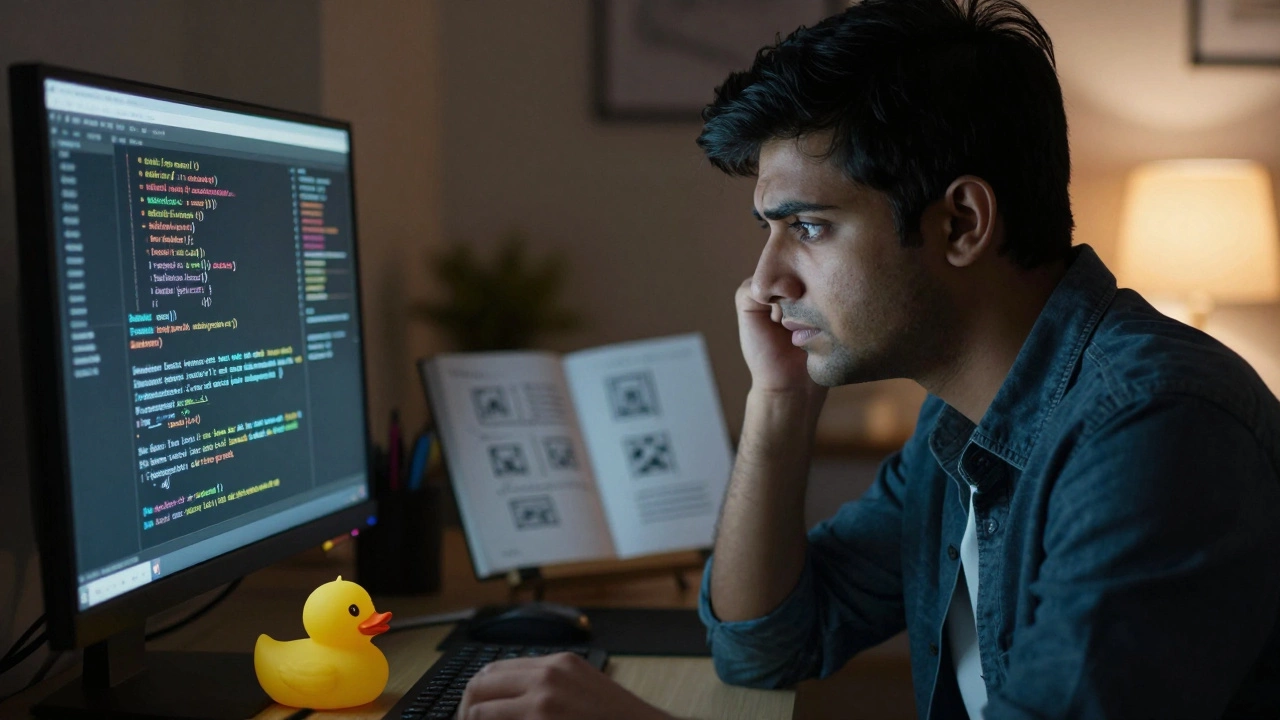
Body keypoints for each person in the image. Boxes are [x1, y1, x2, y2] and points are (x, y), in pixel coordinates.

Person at [456, 0, 1280, 717]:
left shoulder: (1155, 428)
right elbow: (765, 647)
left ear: (961, 223)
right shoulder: (959, 425)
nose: (765, 282)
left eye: (808, 227)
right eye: (766, 231)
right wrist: (778, 404)